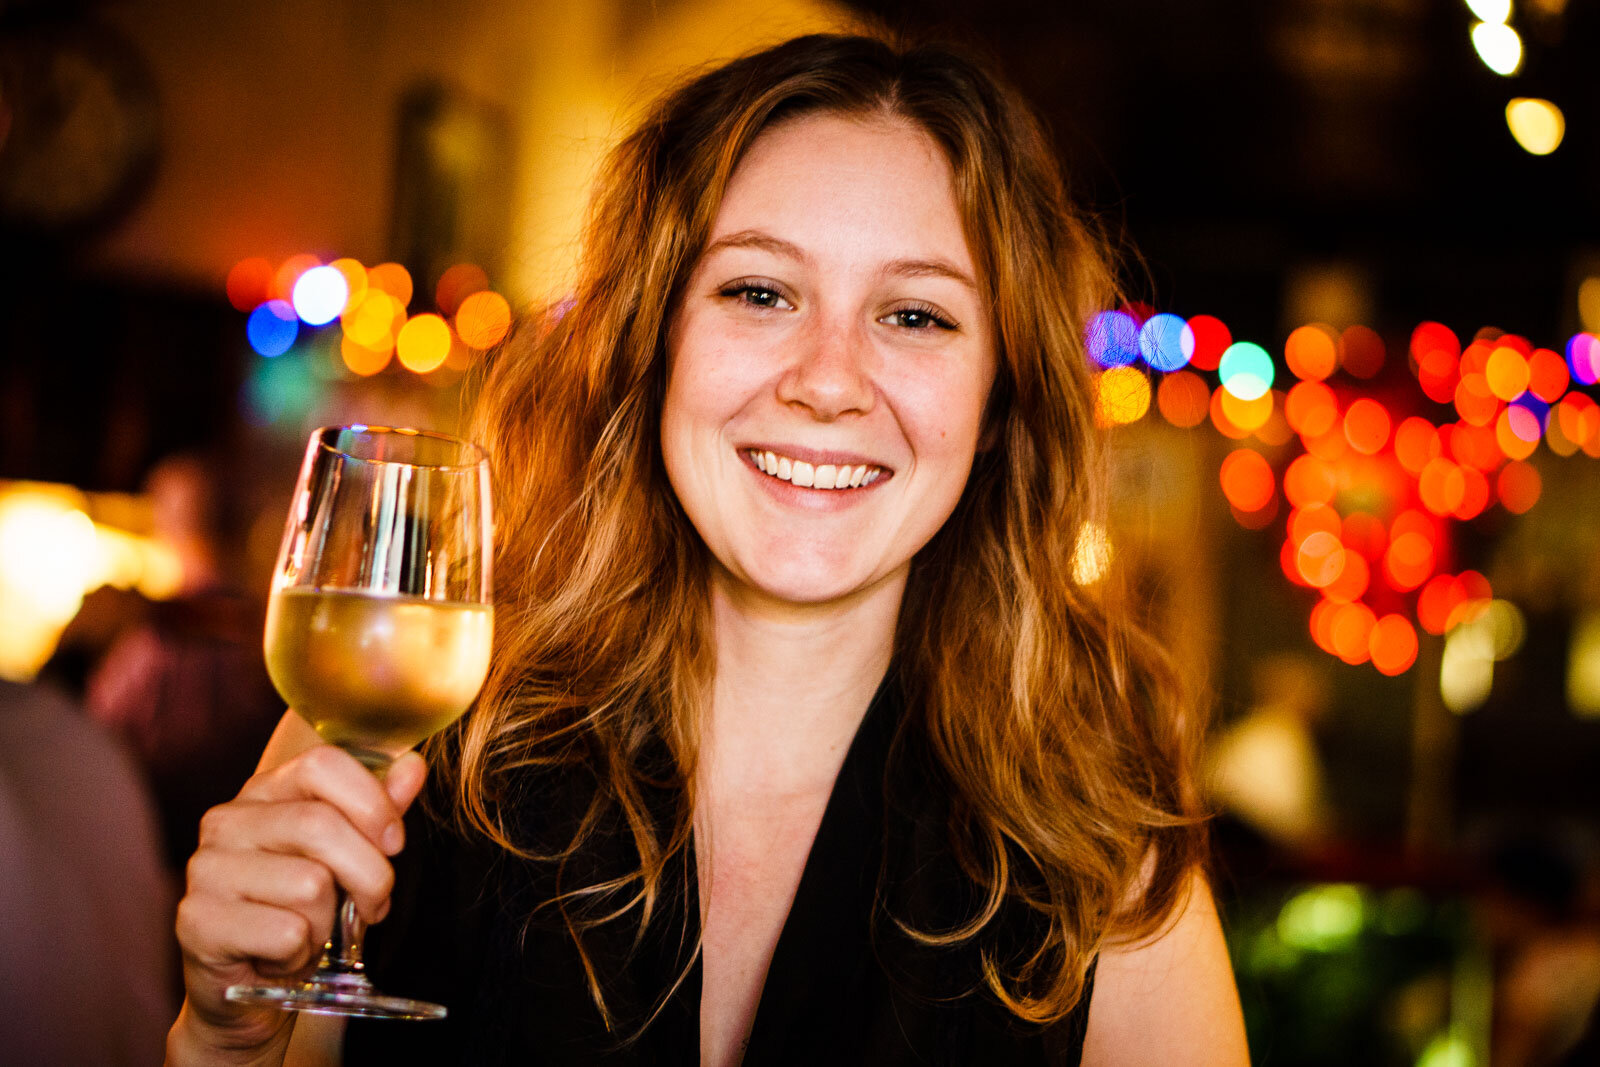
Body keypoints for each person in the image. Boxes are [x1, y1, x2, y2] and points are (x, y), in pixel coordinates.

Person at [168, 32, 1249, 1066]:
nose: (827, 381)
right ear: (654, 340)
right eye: (758, 291)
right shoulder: (393, 736)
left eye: (915, 315)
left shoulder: (1100, 871)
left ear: (1000, 393)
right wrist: (225, 1037)